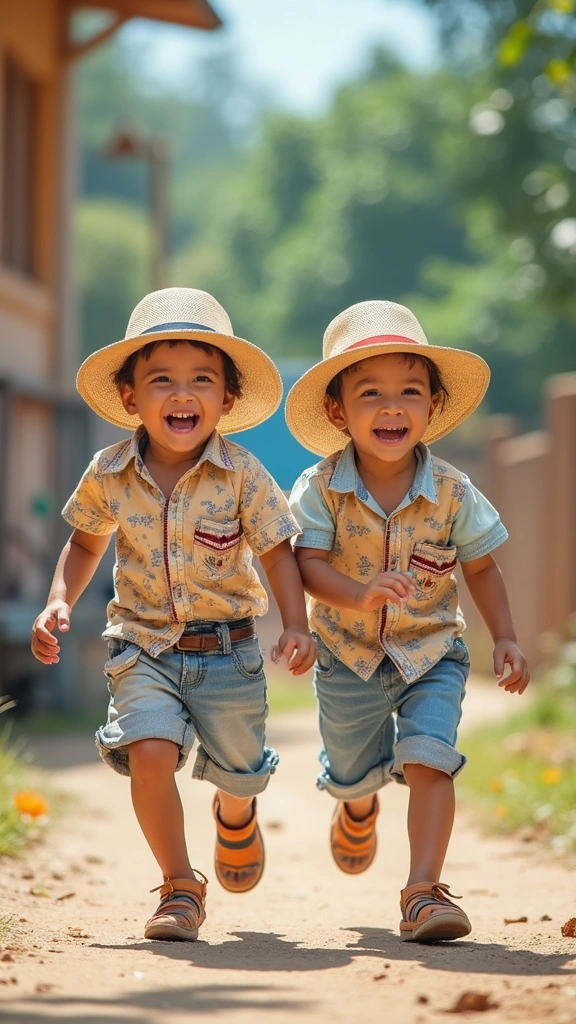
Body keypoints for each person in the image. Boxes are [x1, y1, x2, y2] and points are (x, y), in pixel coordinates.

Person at [31, 287, 316, 942]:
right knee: (150, 753)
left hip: (230, 653)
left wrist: (296, 624)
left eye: (201, 381)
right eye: (162, 380)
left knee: (241, 771)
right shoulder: (109, 472)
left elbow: (277, 552)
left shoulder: (243, 474)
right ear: (131, 397)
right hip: (143, 648)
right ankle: (179, 886)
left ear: (227, 399)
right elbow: (83, 542)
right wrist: (57, 601)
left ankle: (235, 814)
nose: (181, 395)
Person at [285, 299, 529, 943]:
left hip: (431, 655)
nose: (391, 407)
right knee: (349, 769)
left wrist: (504, 634)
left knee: (429, 760)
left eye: (409, 393)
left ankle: (423, 891)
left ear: (432, 408)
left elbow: (480, 567)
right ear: (338, 412)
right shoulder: (320, 488)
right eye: (370, 393)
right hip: (347, 657)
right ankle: (357, 803)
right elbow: (304, 562)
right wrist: (358, 593)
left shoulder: (453, 490)